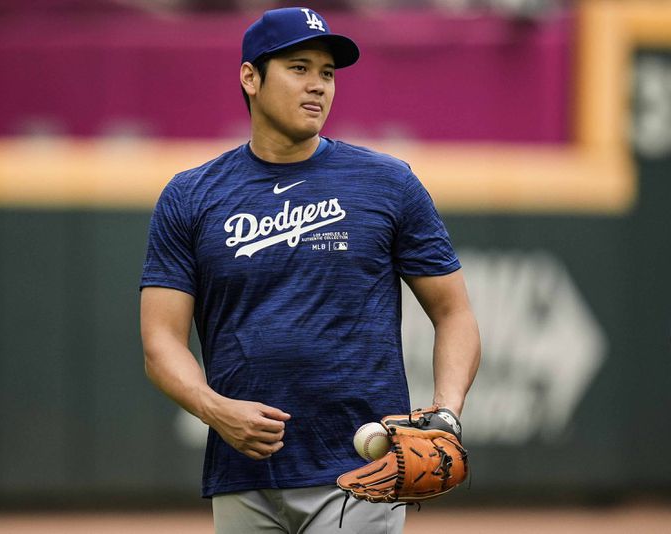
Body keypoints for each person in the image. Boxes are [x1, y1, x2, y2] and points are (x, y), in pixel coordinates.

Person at [140, 7, 480, 533]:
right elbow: (161, 342)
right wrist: (215, 409)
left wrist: (447, 413)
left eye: (327, 73)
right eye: (299, 68)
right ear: (250, 77)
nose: (318, 86)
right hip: (242, 475)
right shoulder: (191, 196)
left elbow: (454, 312)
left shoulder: (388, 183)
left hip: (360, 470)